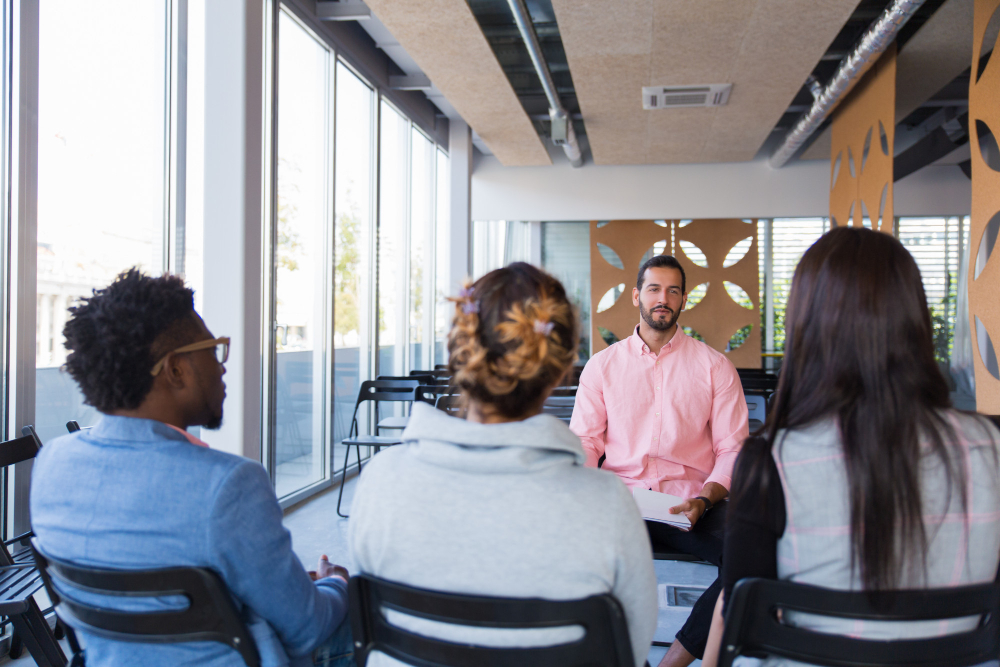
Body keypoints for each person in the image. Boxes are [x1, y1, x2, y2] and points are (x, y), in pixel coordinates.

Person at [701, 227, 1000, 667]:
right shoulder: (991, 448)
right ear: (916, 319)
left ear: (806, 325)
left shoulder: (773, 458)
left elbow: (742, 614)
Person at [30, 269, 353, 667]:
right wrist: (337, 583)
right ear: (176, 370)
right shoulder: (228, 484)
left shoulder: (51, 463)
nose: (222, 368)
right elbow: (307, 627)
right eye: (213, 350)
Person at [349, 262, 657, 667]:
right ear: (562, 371)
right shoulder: (607, 504)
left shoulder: (381, 482)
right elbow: (630, 651)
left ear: (458, 353)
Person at [570, 254, 750, 667]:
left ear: (684, 300)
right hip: (623, 504)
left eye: (672, 291)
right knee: (567, 552)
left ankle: (672, 663)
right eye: (653, 289)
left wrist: (705, 499)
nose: (662, 299)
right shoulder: (602, 367)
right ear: (636, 295)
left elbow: (733, 449)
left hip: (694, 505)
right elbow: (586, 441)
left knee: (751, 554)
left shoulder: (715, 367)